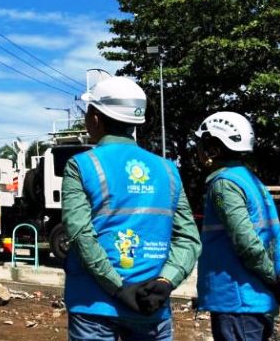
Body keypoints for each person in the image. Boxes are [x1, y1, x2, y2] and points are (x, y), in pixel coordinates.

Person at [62, 76, 200, 341]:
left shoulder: (81, 165)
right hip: (151, 307)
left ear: (96, 118)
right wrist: (165, 282)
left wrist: (119, 288)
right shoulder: (168, 171)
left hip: (95, 306)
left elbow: (80, 235)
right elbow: (189, 240)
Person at [195, 112, 280, 341]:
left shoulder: (224, 184)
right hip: (254, 298)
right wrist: (278, 279)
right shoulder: (251, 180)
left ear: (214, 149)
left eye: (202, 144)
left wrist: (277, 281)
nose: (198, 150)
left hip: (238, 300)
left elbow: (246, 241)